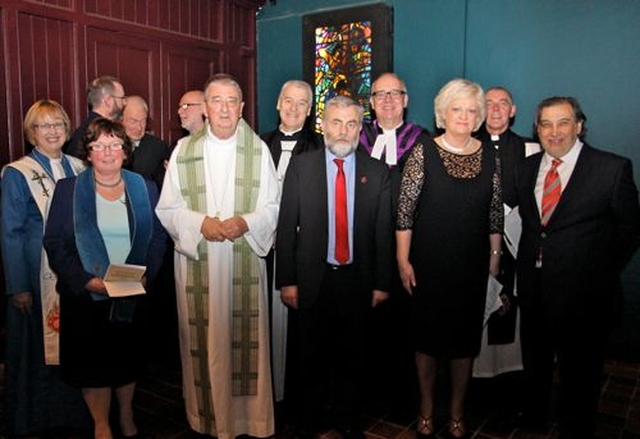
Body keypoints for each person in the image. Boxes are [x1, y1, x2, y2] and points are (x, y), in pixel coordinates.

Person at [156, 73, 279, 439]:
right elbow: (167, 208)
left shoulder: (258, 151)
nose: (224, 108)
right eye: (216, 101)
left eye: (232, 101)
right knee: (205, 342)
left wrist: (247, 221)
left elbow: (273, 206)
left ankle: (247, 421)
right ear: (205, 108)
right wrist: (198, 224)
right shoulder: (184, 151)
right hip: (199, 262)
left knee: (244, 345)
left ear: (242, 108)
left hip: (244, 259)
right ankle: (205, 417)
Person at [515, 96, 640, 439]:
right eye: (546, 124)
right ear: (537, 129)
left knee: (581, 374)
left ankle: (576, 427)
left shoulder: (612, 169)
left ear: (580, 125)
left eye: (563, 122)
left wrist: (596, 270)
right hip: (534, 287)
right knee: (536, 364)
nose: (554, 132)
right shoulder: (525, 169)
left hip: (585, 296)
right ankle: (535, 420)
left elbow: (629, 229)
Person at [276, 95, 392, 438]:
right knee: (310, 359)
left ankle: (348, 422)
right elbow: (286, 227)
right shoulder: (302, 166)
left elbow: (383, 232)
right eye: (336, 122)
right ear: (323, 125)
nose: (343, 131)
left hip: (358, 280)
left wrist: (382, 283)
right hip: (313, 279)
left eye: (351, 123)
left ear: (361, 127)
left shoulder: (376, 171)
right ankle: (308, 423)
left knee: (352, 360)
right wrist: (287, 281)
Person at [43, 118, 166, 439]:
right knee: (93, 367)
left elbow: (157, 239)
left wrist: (145, 276)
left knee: (128, 361)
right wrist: (87, 281)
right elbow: (55, 243)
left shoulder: (145, 187)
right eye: (99, 145)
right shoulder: (68, 190)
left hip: (132, 292)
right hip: (86, 296)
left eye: (114, 145)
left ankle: (125, 413)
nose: (108, 152)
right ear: (89, 152)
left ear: (125, 151)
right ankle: (101, 424)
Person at [396, 79, 503, 438]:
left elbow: (494, 215)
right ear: (443, 113)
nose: (465, 116)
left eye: (472, 110)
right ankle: (426, 407)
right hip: (428, 265)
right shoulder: (423, 150)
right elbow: (405, 211)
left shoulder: (490, 155)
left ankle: (457, 411)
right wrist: (402, 260)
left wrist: (493, 262)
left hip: (471, 268)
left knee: (464, 345)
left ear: (479, 117)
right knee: (426, 342)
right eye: (457, 109)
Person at [1, 99, 91, 436]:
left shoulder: (80, 168)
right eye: (43, 125)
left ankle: (72, 414)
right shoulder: (17, 173)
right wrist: (18, 285)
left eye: (57, 124)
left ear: (67, 129)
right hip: (35, 279)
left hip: (73, 276)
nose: (52, 131)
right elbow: (9, 233)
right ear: (31, 132)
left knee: (73, 347)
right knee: (35, 350)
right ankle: (34, 418)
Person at [358, 72, 430, 407]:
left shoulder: (423, 140)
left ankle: (402, 398)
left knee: (405, 323)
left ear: (406, 99)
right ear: (370, 102)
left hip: (408, 246)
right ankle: (367, 395)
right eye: (379, 94)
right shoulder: (355, 137)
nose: (387, 100)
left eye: (394, 93)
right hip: (363, 245)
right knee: (364, 321)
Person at [260, 79, 322, 403]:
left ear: (310, 110)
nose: (294, 108)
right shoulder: (259, 144)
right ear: (278, 103)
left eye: (302, 103)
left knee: (299, 327)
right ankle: (265, 393)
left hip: (301, 251)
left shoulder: (320, 147)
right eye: (288, 100)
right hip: (262, 248)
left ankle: (297, 396)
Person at [66, 75, 126, 157]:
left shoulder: (84, 129)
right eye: (122, 98)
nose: (124, 103)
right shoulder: (94, 133)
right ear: (108, 101)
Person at [121, 95, 169, 187]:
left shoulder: (158, 148)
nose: (139, 127)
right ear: (120, 120)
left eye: (143, 121)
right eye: (133, 121)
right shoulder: (109, 146)